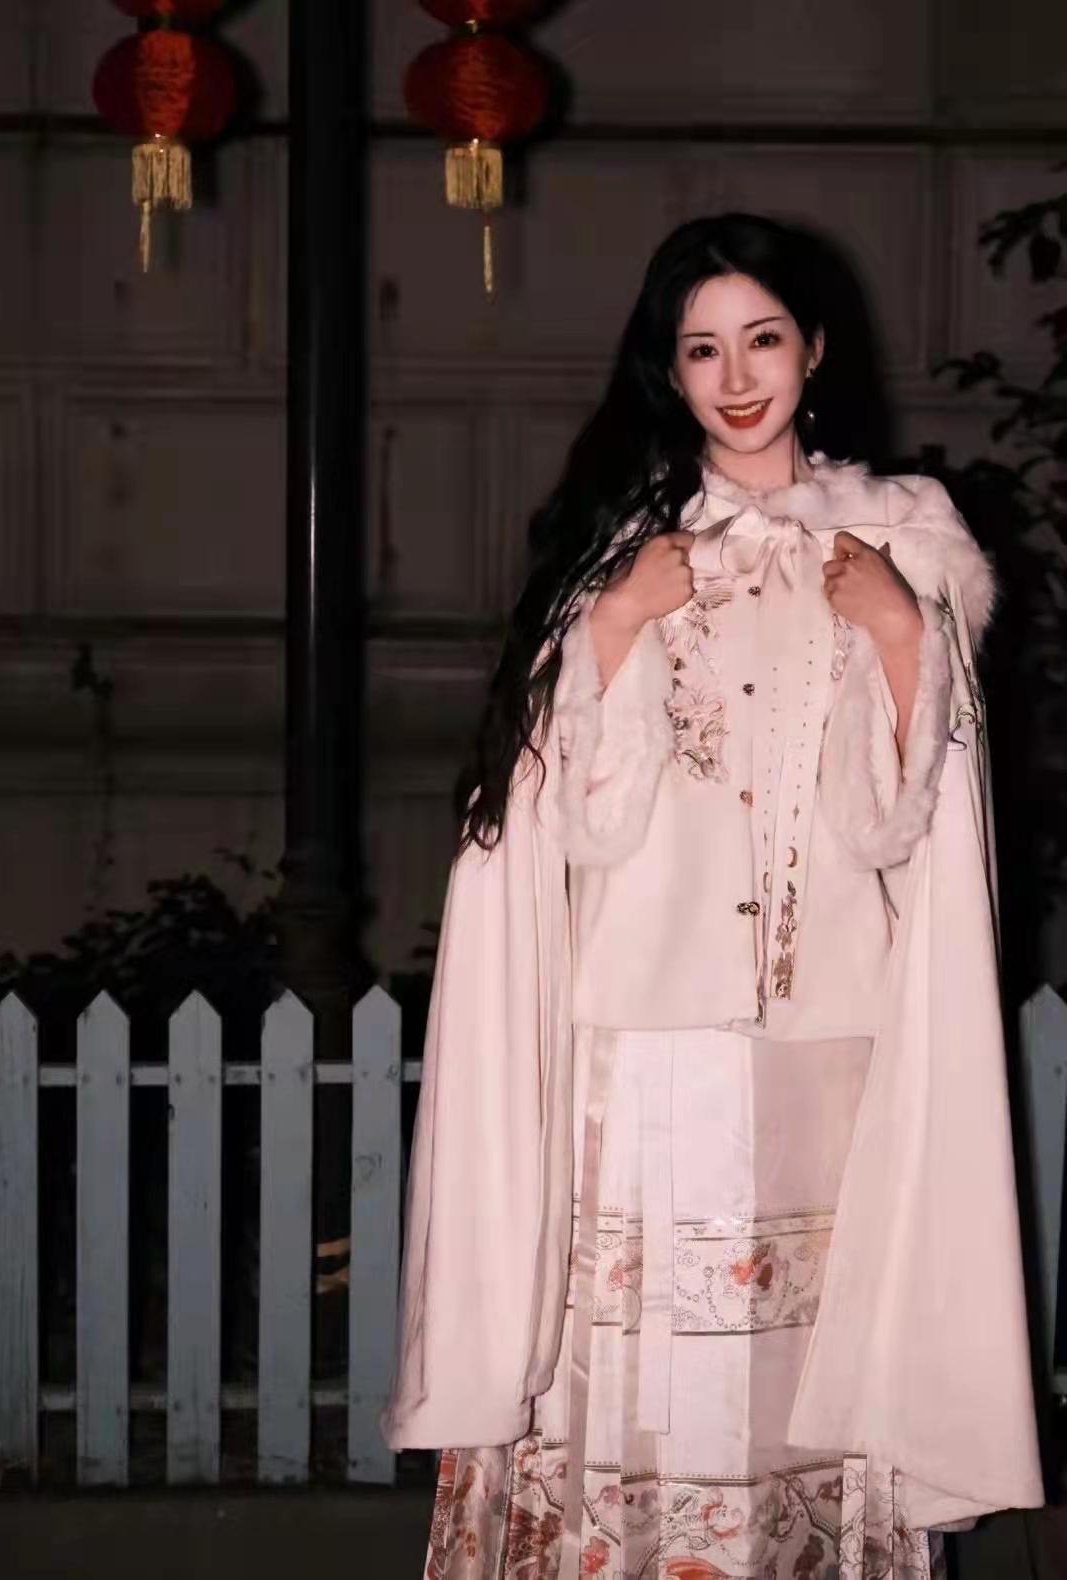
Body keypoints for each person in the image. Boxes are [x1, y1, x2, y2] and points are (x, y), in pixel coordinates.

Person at [383, 213, 1043, 1580]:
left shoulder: (906, 542)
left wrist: (899, 632)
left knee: (809, 1378)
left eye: (762, 340)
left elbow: (903, 824)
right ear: (667, 369)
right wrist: (619, 621)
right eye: (701, 350)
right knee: (649, 1378)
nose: (736, 378)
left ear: (815, 349)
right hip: (645, 1041)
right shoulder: (623, 548)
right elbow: (573, 819)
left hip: (832, 1044)